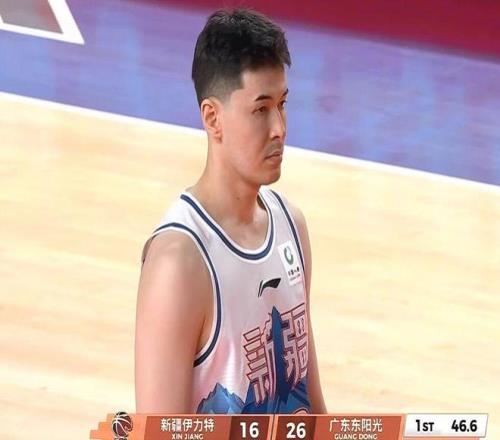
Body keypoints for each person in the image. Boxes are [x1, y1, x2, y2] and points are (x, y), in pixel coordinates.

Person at [135, 8, 326, 414]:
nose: (279, 128)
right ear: (213, 118)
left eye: (282, 104)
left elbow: (312, 409)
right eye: (260, 109)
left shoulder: (292, 226)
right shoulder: (179, 262)